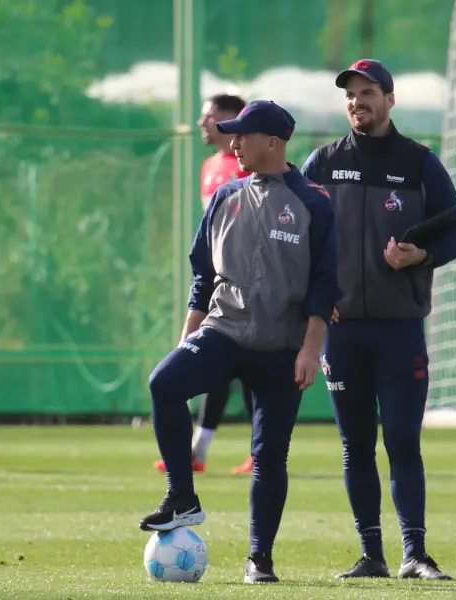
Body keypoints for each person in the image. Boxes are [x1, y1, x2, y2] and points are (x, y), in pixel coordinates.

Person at [139, 100, 339, 584]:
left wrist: (312, 349)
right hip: (223, 331)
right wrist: (189, 335)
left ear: (272, 142)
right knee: (164, 384)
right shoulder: (225, 197)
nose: (233, 144)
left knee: (269, 456)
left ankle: (259, 560)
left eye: (242, 136)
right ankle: (182, 498)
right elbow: (202, 278)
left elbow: (325, 285)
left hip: (282, 347)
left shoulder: (313, 201)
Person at [300, 59, 456, 581]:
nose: (358, 102)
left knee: (400, 438)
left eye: (368, 92)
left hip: (400, 329)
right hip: (343, 329)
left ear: (390, 100)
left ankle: (414, 554)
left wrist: (417, 255)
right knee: (355, 444)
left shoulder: (420, 163)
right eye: (351, 94)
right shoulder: (322, 164)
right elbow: (295, 234)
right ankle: (370, 554)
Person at [152, 93, 255, 475]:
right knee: (218, 365)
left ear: (232, 118)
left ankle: (258, 451)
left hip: (253, 287)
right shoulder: (210, 166)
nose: (201, 123)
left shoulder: (251, 165)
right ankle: (198, 451)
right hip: (217, 283)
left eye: (209, 116)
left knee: (251, 369)